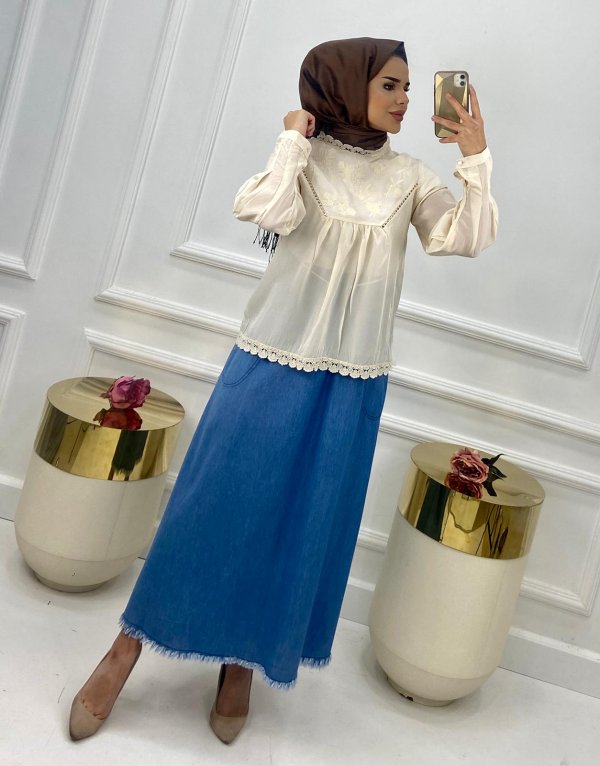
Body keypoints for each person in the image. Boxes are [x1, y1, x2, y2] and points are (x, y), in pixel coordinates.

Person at [68, 37, 497, 746]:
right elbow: (266, 210)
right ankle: (124, 650)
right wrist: (294, 139)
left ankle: (241, 664)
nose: (404, 99)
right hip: (270, 362)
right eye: (390, 85)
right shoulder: (304, 158)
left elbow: (463, 237)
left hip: (352, 382)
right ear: (346, 85)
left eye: (408, 86)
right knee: (210, 508)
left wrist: (474, 158)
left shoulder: (410, 178)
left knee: (297, 524)